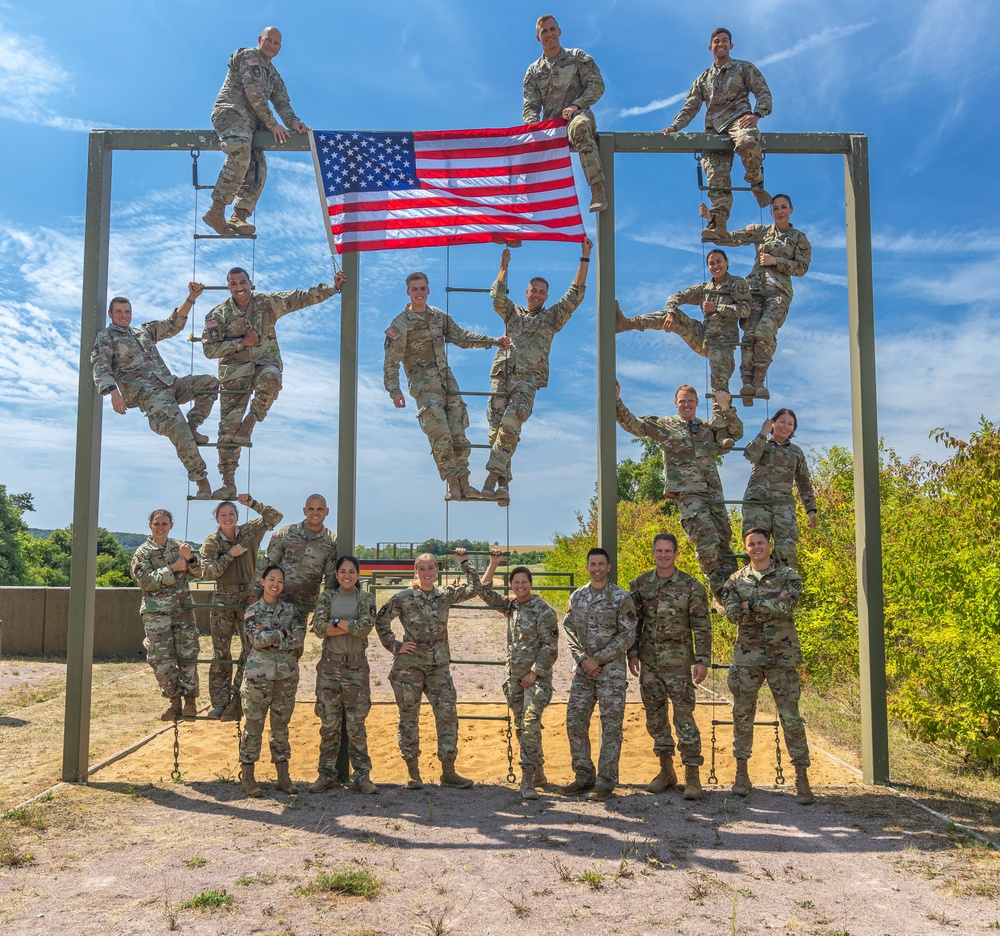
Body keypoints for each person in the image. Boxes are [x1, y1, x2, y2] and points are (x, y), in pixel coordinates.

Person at [202, 266, 346, 497]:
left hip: (264, 363)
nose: (239, 288)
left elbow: (299, 298)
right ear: (228, 286)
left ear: (251, 283)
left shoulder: (266, 303)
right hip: (234, 373)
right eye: (233, 284)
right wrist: (242, 343)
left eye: (242, 282)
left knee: (271, 379)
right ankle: (228, 481)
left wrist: (334, 288)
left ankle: (250, 422)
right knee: (227, 431)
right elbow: (209, 350)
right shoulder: (217, 315)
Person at [482, 239, 593, 502]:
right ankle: (503, 484)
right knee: (496, 429)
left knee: (510, 424)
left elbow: (575, 294)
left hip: (527, 382)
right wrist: (503, 265)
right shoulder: (513, 314)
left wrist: (585, 257)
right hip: (502, 375)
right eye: (534, 290)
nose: (538, 295)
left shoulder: (551, 318)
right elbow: (497, 297)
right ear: (527, 292)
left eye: (543, 292)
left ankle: (490, 477)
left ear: (546, 296)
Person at [383, 272, 511, 501]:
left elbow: (461, 336)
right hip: (423, 385)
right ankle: (453, 483)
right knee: (439, 431)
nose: (419, 293)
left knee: (458, 431)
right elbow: (391, 360)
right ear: (408, 292)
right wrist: (394, 390)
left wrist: (492, 341)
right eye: (415, 289)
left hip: (446, 381)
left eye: (423, 288)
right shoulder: (400, 324)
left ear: (428, 291)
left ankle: (466, 484)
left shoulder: (438, 317)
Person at [616, 381, 743, 605]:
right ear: (676, 403)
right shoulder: (666, 425)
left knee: (724, 543)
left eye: (690, 401)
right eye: (682, 401)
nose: (686, 404)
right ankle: (721, 595)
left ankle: (732, 592)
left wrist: (725, 407)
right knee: (707, 541)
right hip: (688, 494)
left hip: (712, 493)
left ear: (696, 403)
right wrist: (616, 399)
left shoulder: (707, 428)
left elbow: (736, 433)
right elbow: (634, 424)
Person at [91, 285, 219, 499]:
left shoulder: (143, 332)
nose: (124, 316)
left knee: (209, 383)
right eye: (119, 312)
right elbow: (100, 363)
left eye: (127, 311)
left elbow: (171, 324)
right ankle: (201, 481)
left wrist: (191, 298)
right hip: (149, 396)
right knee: (179, 431)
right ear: (111, 314)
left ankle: (193, 425)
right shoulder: (107, 337)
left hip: (169, 384)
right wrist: (113, 392)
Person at [375, 548, 485, 789]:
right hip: (409, 667)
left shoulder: (444, 595)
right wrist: (396, 645)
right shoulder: (403, 597)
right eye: (422, 568)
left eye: (431, 567)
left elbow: (474, 588)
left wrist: (464, 562)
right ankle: (413, 772)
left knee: (447, 715)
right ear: (416, 572)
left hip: (438, 667)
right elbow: (381, 620)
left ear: (437, 571)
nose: (427, 572)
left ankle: (448, 771)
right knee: (409, 718)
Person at [722, 529, 814, 805]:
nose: (757, 547)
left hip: (781, 658)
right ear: (746, 548)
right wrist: (767, 604)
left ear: (769, 545)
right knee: (742, 715)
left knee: (791, 718)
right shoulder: (735, 580)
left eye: (761, 543)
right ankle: (741, 774)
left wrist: (752, 604)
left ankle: (801, 778)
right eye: (752, 544)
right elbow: (732, 613)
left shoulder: (788, 576)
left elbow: (788, 606)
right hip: (747, 659)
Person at [663, 27, 772, 242]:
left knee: (748, 140)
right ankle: (719, 223)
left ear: (731, 46)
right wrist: (675, 126)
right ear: (710, 47)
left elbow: (763, 91)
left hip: (739, 118)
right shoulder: (703, 79)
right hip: (714, 128)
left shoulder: (743, 68)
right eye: (716, 41)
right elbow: (690, 107)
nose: (720, 44)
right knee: (715, 176)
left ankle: (755, 183)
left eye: (724, 41)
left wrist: (758, 114)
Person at [204, 26, 309, 237]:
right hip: (232, 113)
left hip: (252, 124)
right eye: (269, 40)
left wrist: (294, 123)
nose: (272, 46)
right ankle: (216, 211)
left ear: (280, 48)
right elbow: (254, 93)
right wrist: (272, 124)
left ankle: (239, 216)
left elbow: (282, 102)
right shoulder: (249, 56)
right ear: (260, 39)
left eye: (276, 43)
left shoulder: (273, 76)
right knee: (240, 148)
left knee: (258, 166)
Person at [628, 533, 711, 800]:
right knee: (655, 718)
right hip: (650, 663)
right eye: (659, 551)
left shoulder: (692, 586)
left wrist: (702, 660)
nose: (663, 555)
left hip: (679, 664)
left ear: (676, 554)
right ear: (653, 553)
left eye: (668, 551)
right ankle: (666, 770)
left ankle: (692, 777)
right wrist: (632, 654)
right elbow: (634, 623)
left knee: (684, 718)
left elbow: (702, 626)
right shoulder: (640, 584)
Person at [709, 194, 812, 400]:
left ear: (791, 209)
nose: (779, 211)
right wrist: (712, 222)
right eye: (775, 208)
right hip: (754, 291)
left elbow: (802, 267)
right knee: (750, 334)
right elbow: (731, 239)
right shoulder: (761, 232)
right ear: (771, 212)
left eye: (783, 207)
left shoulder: (799, 238)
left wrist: (777, 261)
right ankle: (747, 381)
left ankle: (759, 381)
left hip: (778, 292)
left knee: (764, 331)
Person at [557, 547, 636, 802]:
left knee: (611, 726)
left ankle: (605, 782)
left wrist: (598, 659)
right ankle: (584, 777)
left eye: (601, 564)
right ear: (587, 567)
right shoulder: (578, 596)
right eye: (593, 564)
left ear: (608, 567)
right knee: (575, 721)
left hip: (610, 672)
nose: (597, 568)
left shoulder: (621, 597)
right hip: (583, 672)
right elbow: (568, 629)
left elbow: (627, 634)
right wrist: (582, 659)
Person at [481, 549, 559, 801]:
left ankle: (527, 781)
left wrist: (535, 673)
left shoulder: (543, 610)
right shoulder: (511, 605)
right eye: (516, 582)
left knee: (530, 722)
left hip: (537, 679)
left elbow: (551, 647)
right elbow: (484, 593)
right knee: (522, 727)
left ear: (531, 584)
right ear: (512, 585)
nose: (521, 585)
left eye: (524, 581)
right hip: (513, 678)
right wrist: (493, 565)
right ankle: (539, 772)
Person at [616, 249, 751, 394]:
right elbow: (677, 297)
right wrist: (670, 312)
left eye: (719, 262)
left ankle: (723, 415)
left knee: (719, 390)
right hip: (703, 336)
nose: (716, 266)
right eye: (711, 264)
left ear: (727, 263)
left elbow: (745, 310)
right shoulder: (705, 289)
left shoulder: (737, 283)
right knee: (675, 315)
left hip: (723, 344)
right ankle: (628, 324)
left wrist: (717, 308)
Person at [199, 494, 283, 720]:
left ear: (237, 516)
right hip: (223, 600)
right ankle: (219, 702)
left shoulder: (248, 532)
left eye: (231, 514)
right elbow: (206, 572)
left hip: (248, 599)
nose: (228, 518)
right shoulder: (211, 542)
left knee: (249, 650)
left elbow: (275, 517)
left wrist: (253, 504)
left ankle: (238, 699)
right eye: (223, 515)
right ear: (217, 518)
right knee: (221, 653)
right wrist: (229, 555)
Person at [308, 555, 378, 795]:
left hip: (356, 668)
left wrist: (335, 622)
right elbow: (318, 629)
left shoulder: (366, 597)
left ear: (358, 575)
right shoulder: (327, 596)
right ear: (336, 574)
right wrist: (350, 624)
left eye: (351, 571)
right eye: (342, 571)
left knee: (356, 724)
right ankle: (326, 775)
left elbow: (365, 628)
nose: (347, 576)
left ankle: (361, 776)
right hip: (329, 668)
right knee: (329, 723)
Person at [523, 15, 607, 212]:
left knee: (579, 127)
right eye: (544, 31)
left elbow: (597, 85)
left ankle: (597, 189)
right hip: (550, 126)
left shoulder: (577, 57)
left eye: (552, 29)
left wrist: (577, 105)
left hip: (577, 117)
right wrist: (532, 125)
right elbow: (531, 105)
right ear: (538, 37)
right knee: (524, 144)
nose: (549, 34)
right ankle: (523, 213)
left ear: (559, 32)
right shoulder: (534, 71)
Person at [238, 564, 305, 798]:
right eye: (271, 579)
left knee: (281, 728)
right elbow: (256, 639)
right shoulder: (252, 611)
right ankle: (248, 777)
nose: (275, 584)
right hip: (258, 678)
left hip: (285, 677)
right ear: (263, 582)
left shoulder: (291, 610)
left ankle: (283, 778)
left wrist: (274, 638)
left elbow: (299, 637)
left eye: (280, 581)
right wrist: (283, 634)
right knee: (253, 727)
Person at [130, 509, 202, 721]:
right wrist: (171, 569)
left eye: (164, 523)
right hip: (156, 614)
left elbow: (199, 572)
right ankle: (174, 702)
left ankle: (190, 702)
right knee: (162, 660)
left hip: (182, 611)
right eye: (156, 523)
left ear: (171, 525)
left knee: (188, 656)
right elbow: (144, 582)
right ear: (150, 525)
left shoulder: (180, 548)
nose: (160, 527)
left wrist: (190, 559)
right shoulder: (142, 553)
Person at [742, 410, 817, 569]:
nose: (786, 427)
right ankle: (753, 588)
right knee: (756, 548)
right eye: (782, 422)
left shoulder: (796, 452)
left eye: (790, 424)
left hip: (783, 506)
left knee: (786, 550)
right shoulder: (761, 443)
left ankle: (786, 589)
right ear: (773, 423)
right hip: (757, 504)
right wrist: (763, 432)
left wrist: (810, 509)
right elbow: (750, 455)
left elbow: (803, 482)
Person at [263, 493, 337, 620]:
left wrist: (323, 610)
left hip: (303, 607)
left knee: (296, 640)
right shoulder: (285, 533)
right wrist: (256, 596)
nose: (315, 513)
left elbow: (331, 580)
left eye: (320, 509)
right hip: (275, 602)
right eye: (311, 509)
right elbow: (266, 567)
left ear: (327, 511)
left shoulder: (331, 542)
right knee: (269, 639)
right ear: (304, 511)